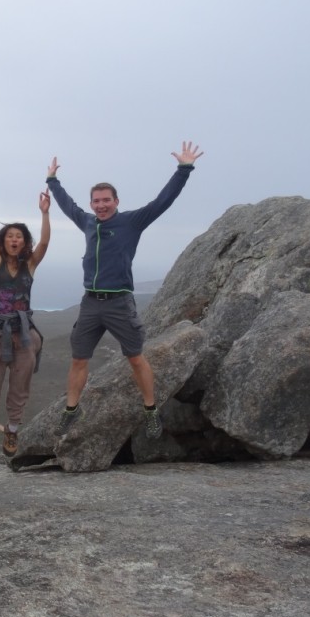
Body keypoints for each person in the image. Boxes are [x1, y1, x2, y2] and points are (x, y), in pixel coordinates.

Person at [46, 141, 204, 440]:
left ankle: (150, 409)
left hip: (119, 303)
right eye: (96, 201)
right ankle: (71, 409)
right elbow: (69, 206)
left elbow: (162, 202)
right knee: (79, 359)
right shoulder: (88, 222)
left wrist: (184, 169)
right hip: (91, 304)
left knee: (135, 357)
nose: (101, 205)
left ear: (116, 201)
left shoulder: (132, 222)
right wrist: (53, 181)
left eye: (106, 200)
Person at [0, 181, 51, 458]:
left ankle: (12, 430)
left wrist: (45, 214)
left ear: (25, 242)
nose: (14, 240)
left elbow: (46, 242)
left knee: (20, 386)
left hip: (24, 335)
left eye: (19, 237)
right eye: (9, 236)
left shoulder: (30, 265)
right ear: (3, 241)